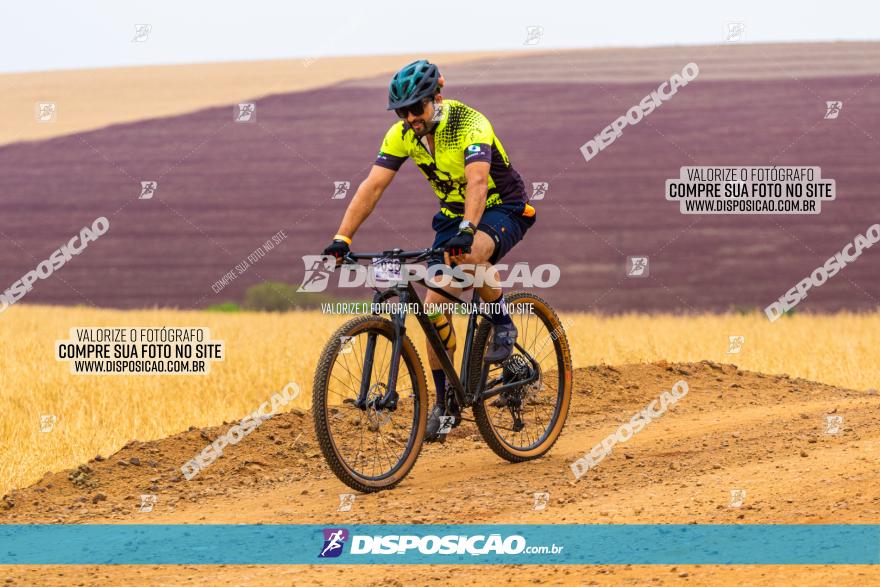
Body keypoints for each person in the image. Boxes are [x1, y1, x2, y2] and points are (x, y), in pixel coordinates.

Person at [321, 59, 536, 441]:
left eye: (416, 108)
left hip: (503, 206)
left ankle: (502, 323)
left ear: (437, 97)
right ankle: (446, 401)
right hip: (453, 218)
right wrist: (343, 238)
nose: (409, 117)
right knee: (434, 307)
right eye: (402, 111)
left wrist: (469, 230)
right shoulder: (402, 135)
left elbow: (478, 181)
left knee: (471, 257)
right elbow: (372, 187)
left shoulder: (470, 124)